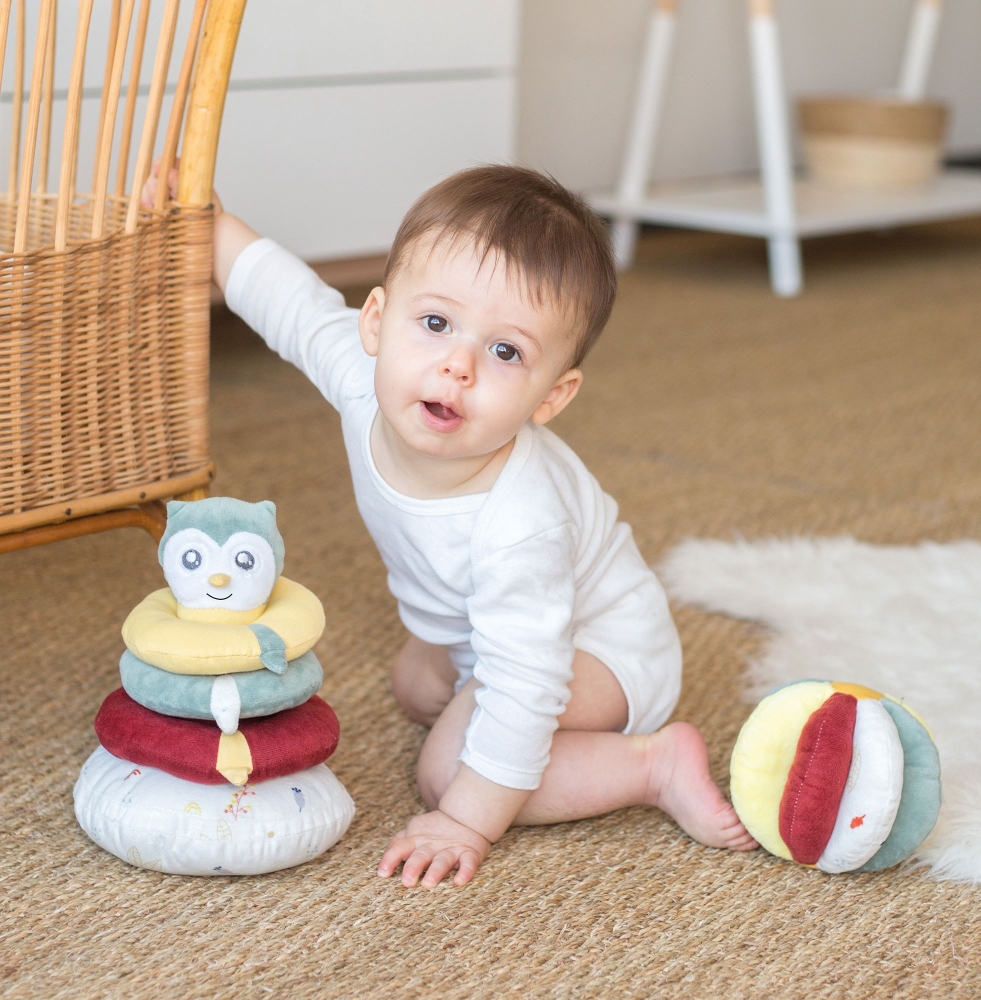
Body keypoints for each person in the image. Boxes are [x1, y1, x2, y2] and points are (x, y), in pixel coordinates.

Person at [148, 164, 756, 887]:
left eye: (506, 352)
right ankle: (481, 694)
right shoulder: (359, 372)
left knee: (447, 772)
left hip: (605, 650)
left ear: (550, 397)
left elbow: (528, 682)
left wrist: (468, 818)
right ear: (375, 322)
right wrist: (211, 226)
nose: (457, 366)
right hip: (483, 624)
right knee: (416, 685)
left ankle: (651, 765)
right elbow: (292, 303)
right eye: (436, 323)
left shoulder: (520, 521)